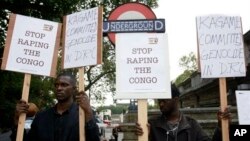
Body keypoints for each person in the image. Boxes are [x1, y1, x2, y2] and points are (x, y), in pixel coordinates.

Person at [11, 72, 100, 141]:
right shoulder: (42, 116)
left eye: (64, 85)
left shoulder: (83, 115)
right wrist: (17, 120)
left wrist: (88, 112)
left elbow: (94, 139)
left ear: (74, 89)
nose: (59, 88)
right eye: (56, 85)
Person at [135, 83, 211, 141]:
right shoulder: (151, 125)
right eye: (159, 101)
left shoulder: (192, 125)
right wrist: (144, 137)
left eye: (165, 100)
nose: (161, 104)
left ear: (176, 100)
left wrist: (220, 127)